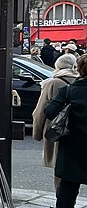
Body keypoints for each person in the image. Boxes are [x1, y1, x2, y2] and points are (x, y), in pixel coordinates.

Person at [43, 53, 87, 208]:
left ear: (79, 69)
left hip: (72, 143)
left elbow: (49, 112)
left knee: (68, 182)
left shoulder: (69, 91)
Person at [33, 53, 78, 186]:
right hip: (77, 128)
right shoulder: (79, 81)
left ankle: (61, 196)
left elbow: (40, 111)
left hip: (58, 129)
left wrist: (37, 134)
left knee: (59, 167)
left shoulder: (52, 83)